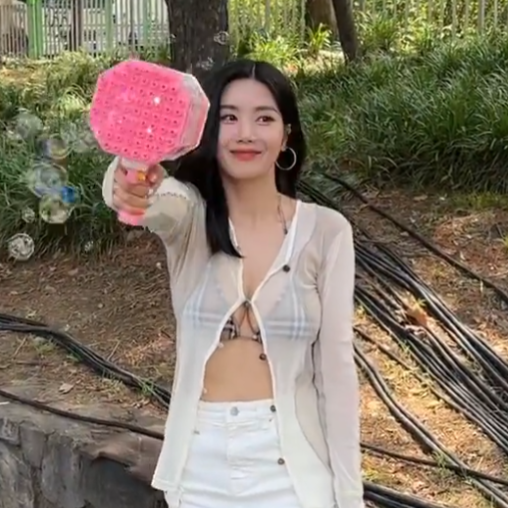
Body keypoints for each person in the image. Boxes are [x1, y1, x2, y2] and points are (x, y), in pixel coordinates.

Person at [102, 59, 363, 508]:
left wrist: (350, 496)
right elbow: (140, 198)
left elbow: (337, 376)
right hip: (198, 470)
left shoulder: (327, 232)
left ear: (287, 136)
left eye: (264, 118)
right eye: (228, 117)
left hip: (293, 473)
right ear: (209, 131)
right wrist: (129, 173)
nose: (245, 133)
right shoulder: (189, 217)